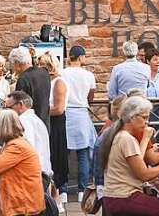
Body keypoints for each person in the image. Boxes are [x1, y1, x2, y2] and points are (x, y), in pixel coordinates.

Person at [100, 95, 159, 216]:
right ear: (131, 117)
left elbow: (136, 166)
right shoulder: (126, 139)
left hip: (114, 197)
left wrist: (153, 181)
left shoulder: (119, 135)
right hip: (123, 197)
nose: (147, 122)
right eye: (144, 118)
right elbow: (143, 174)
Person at [0, 109, 46, 216]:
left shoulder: (16, 146)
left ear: (2, 128)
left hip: (23, 205)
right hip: (23, 201)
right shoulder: (16, 142)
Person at [61, 44, 97, 202]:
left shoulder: (62, 74)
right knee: (83, 154)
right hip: (81, 113)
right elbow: (91, 97)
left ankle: (62, 191)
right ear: (81, 57)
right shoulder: (88, 75)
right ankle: (82, 190)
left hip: (66, 113)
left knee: (64, 155)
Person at [6, 91, 53, 187]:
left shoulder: (24, 120)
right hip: (40, 172)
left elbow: (25, 148)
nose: (8, 111)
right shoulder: (34, 119)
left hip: (33, 174)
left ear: (20, 104)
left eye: (10, 108)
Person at [42, 52, 68, 211]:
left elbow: (58, 109)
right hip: (48, 122)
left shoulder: (58, 82)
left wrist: (40, 111)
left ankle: (56, 195)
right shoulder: (46, 81)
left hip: (56, 124)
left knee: (55, 157)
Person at [10, 45, 51, 128]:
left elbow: (19, 105)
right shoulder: (44, 72)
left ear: (17, 64)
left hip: (29, 124)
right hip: (45, 123)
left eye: (13, 64)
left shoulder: (23, 79)